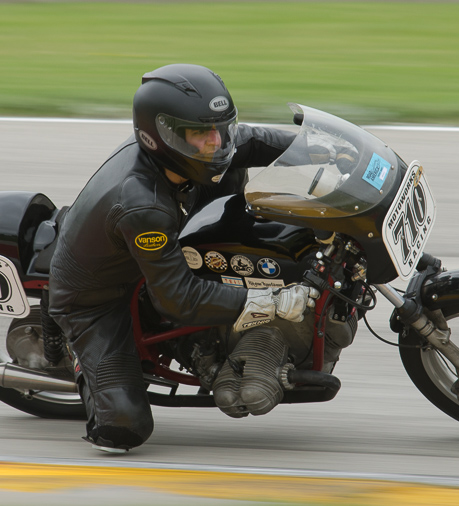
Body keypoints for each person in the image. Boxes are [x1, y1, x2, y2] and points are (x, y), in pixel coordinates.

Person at [48, 64, 318, 453]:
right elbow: (178, 299)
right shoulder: (144, 206)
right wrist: (268, 302)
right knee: (124, 429)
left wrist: (321, 148)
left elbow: (251, 139)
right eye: (200, 134)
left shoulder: (195, 146)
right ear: (161, 137)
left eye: (219, 128)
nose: (216, 141)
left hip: (158, 241)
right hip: (96, 297)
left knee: (231, 169)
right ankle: (81, 359)